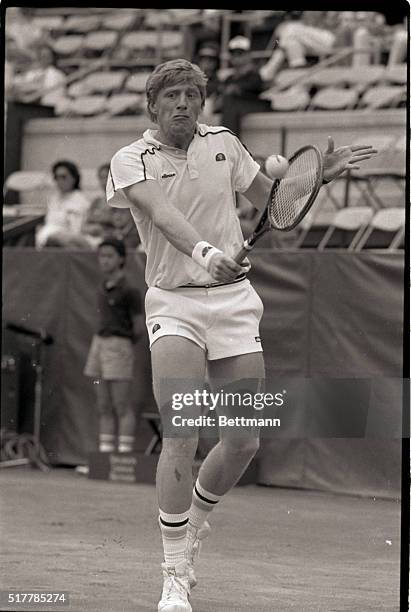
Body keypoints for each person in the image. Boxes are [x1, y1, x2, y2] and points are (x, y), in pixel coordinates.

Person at [106, 58, 377, 611]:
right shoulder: (130, 158)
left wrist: (313, 176)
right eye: (173, 95)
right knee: (183, 429)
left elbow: (271, 203)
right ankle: (174, 573)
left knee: (243, 439)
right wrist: (207, 254)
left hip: (233, 303)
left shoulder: (225, 142)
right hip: (175, 301)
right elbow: (160, 215)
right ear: (153, 105)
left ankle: (196, 523)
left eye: (192, 94)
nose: (184, 102)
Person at [84, 238, 143, 454]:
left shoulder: (130, 291)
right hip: (98, 345)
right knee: (103, 404)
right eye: (101, 256)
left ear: (121, 259)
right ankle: (105, 455)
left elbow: (139, 327)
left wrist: (121, 344)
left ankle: (123, 455)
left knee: (121, 404)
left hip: (119, 346)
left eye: (109, 256)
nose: (104, 260)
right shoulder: (101, 288)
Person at [219, 36, 271, 137]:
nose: (236, 57)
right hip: (235, 108)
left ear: (248, 55)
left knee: (230, 103)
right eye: (233, 54)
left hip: (254, 105)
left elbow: (257, 87)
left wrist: (236, 89)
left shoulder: (255, 74)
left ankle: (229, 142)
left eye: (240, 53)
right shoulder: (229, 78)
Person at [36, 160, 91, 249]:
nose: (59, 181)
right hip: (47, 241)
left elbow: (76, 231)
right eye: (56, 177)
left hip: (68, 243)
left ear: (74, 178)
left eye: (63, 177)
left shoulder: (80, 200)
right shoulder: (53, 199)